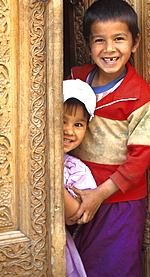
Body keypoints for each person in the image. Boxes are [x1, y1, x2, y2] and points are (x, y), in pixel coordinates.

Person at [67, 0, 150, 277]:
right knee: (79, 263)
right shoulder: (75, 81)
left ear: (135, 43)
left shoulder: (140, 97)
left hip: (119, 203)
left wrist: (100, 194)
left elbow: (139, 160)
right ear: (88, 44)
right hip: (76, 194)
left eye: (119, 39)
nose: (109, 49)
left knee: (114, 266)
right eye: (99, 40)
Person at [63, 79, 97, 277]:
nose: (69, 130)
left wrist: (54, 177)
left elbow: (72, 216)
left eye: (78, 124)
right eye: (62, 120)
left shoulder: (76, 169)